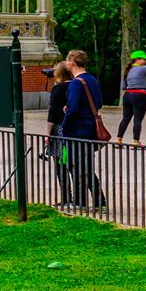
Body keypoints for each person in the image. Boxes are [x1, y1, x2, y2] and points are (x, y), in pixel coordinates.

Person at [60, 49, 108, 211]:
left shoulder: (76, 82)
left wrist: (65, 122)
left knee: (76, 167)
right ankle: (100, 200)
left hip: (76, 130)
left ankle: (80, 202)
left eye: (67, 60)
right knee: (86, 167)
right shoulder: (92, 80)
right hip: (90, 130)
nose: (66, 63)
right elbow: (99, 103)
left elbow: (73, 109)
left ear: (72, 62)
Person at [43, 60, 75, 205]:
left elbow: (53, 114)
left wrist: (47, 134)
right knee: (76, 164)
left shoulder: (58, 89)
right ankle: (95, 197)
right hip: (73, 130)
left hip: (60, 132)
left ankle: (66, 197)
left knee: (61, 164)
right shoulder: (76, 85)